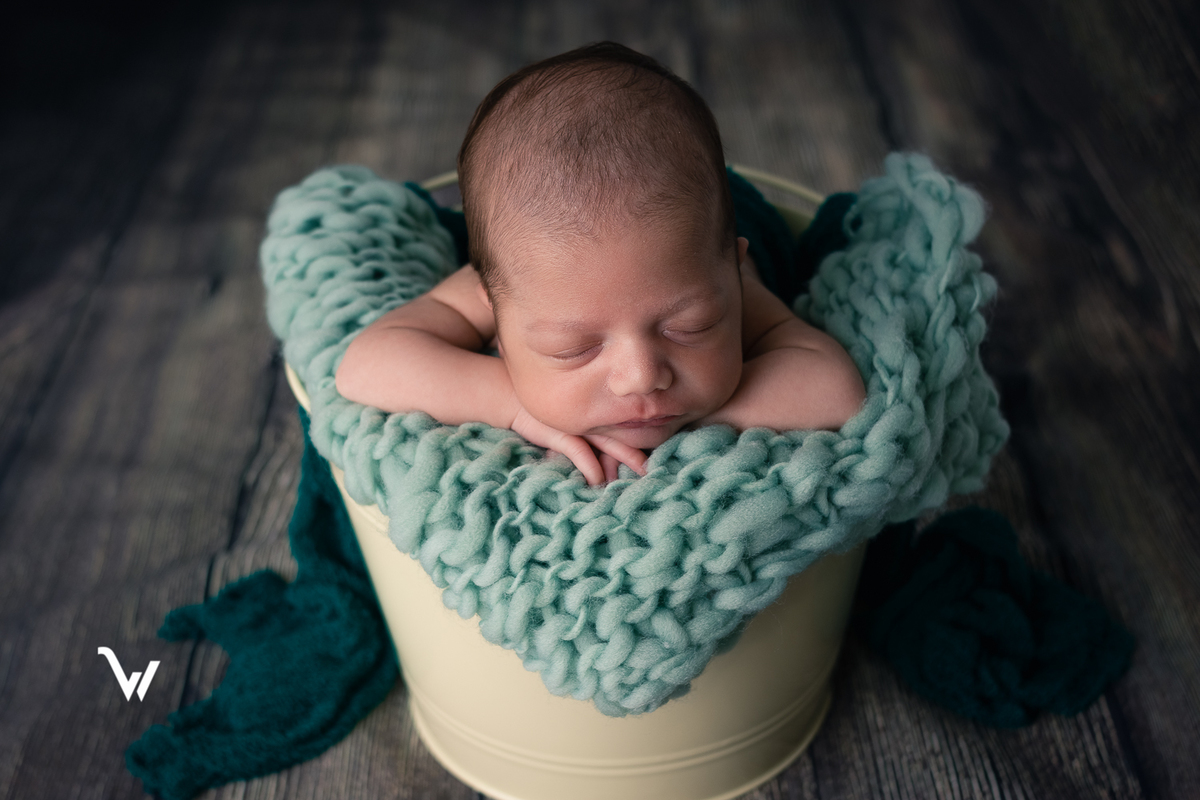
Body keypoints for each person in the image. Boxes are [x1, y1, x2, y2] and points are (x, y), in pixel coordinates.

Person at [335, 42, 866, 487]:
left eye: (689, 328)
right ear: (492, 310)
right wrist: (511, 404)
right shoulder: (515, 279)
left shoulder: (713, 272)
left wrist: (702, 424)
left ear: (732, 271)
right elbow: (366, 364)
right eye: (574, 348)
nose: (641, 378)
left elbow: (834, 389)